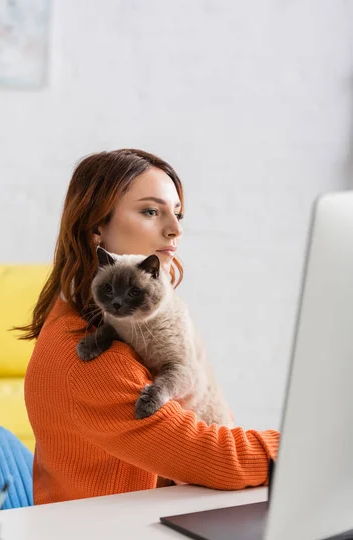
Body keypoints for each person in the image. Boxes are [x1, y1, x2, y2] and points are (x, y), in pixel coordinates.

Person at [19, 148, 279, 505]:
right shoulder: (90, 357)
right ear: (96, 226)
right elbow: (218, 459)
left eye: (178, 213)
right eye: (151, 211)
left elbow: (212, 416)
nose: (175, 229)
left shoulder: (103, 313)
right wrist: (311, 447)